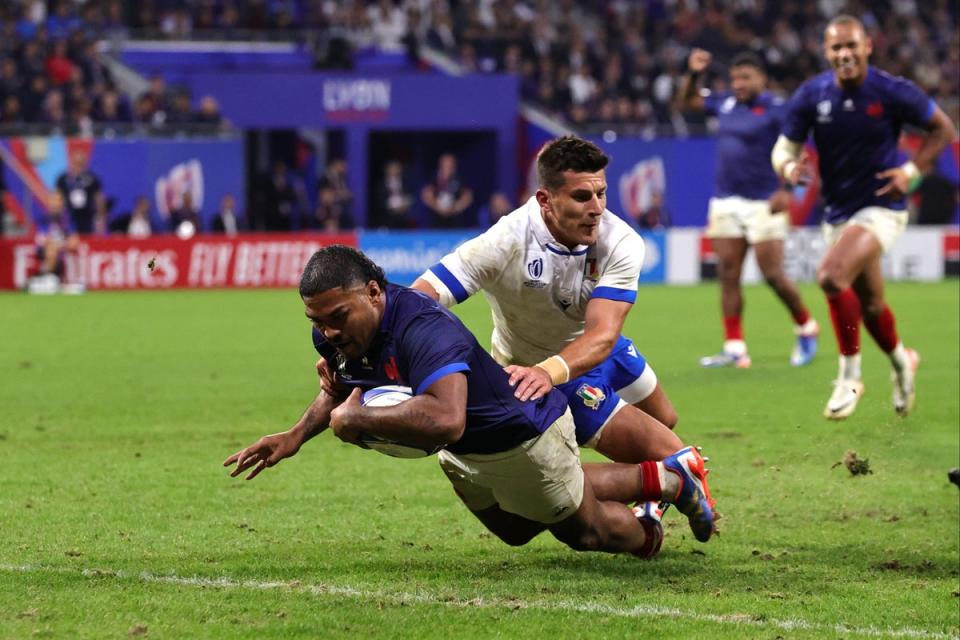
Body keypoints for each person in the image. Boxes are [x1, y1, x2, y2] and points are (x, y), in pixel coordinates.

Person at [224, 246, 717, 557]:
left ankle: (666, 488)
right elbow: (339, 388)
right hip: (470, 451)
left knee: (583, 533)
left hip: (523, 435)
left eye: (336, 316)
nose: (328, 332)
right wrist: (295, 435)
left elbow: (445, 419)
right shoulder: (337, 336)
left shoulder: (425, 330)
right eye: (316, 321)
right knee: (516, 531)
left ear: (374, 293)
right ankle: (652, 488)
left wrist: (360, 417)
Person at [407, 136, 686, 476]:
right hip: (534, 370)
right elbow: (421, 297)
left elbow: (603, 334)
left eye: (601, 193)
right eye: (582, 196)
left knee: (666, 421)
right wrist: (397, 351)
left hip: (599, 347)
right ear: (545, 200)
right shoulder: (506, 240)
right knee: (668, 454)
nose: (596, 208)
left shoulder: (621, 241)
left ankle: (650, 500)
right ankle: (638, 499)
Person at [772, 15, 956, 419]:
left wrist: (910, 173)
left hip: (883, 207)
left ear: (867, 46)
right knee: (871, 306)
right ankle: (902, 362)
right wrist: (788, 170)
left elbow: (943, 129)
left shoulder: (891, 91)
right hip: (837, 214)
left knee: (831, 276)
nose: (845, 55)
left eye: (851, 46)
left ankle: (849, 377)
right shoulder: (811, 95)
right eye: (836, 48)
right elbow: (783, 150)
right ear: (826, 52)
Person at [679, 50, 819, 369]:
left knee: (772, 274)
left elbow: (798, 152)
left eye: (746, 78)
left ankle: (807, 327)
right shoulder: (726, 102)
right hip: (726, 200)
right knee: (728, 274)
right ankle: (735, 348)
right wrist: (694, 74)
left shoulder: (777, 109)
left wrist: (788, 190)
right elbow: (689, 101)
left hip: (764, 201)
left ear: (762, 79)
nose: (738, 84)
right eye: (735, 78)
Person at [55, 148, 105, 234]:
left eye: (81, 163)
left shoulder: (92, 178)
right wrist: (57, 216)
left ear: (85, 164)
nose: (78, 166)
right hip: (69, 215)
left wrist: (100, 218)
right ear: (71, 162)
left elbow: (99, 199)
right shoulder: (63, 179)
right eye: (76, 163)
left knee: (87, 238)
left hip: (87, 216)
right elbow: (57, 198)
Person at [421, 153, 473, 228]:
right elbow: (426, 194)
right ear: (440, 165)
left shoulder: (459, 178)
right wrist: (438, 208)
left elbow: (468, 196)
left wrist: (456, 208)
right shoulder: (434, 177)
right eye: (446, 165)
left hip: (454, 217)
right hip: (436, 217)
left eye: (451, 165)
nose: (448, 167)